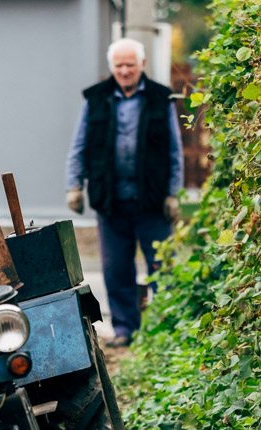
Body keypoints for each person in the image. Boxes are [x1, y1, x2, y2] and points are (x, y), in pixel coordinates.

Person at [65, 38, 184, 347]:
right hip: (111, 202)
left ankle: (168, 332)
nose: (125, 70)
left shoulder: (160, 98)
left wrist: (173, 194)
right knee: (116, 269)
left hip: (152, 201)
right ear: (111, 67)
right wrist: (74, 186)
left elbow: (174, 151)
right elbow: (79, 145)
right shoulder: (95, 99)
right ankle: (125, 330)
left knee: (162, 267)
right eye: (119, 65)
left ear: (142, 64)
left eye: (130, 64)